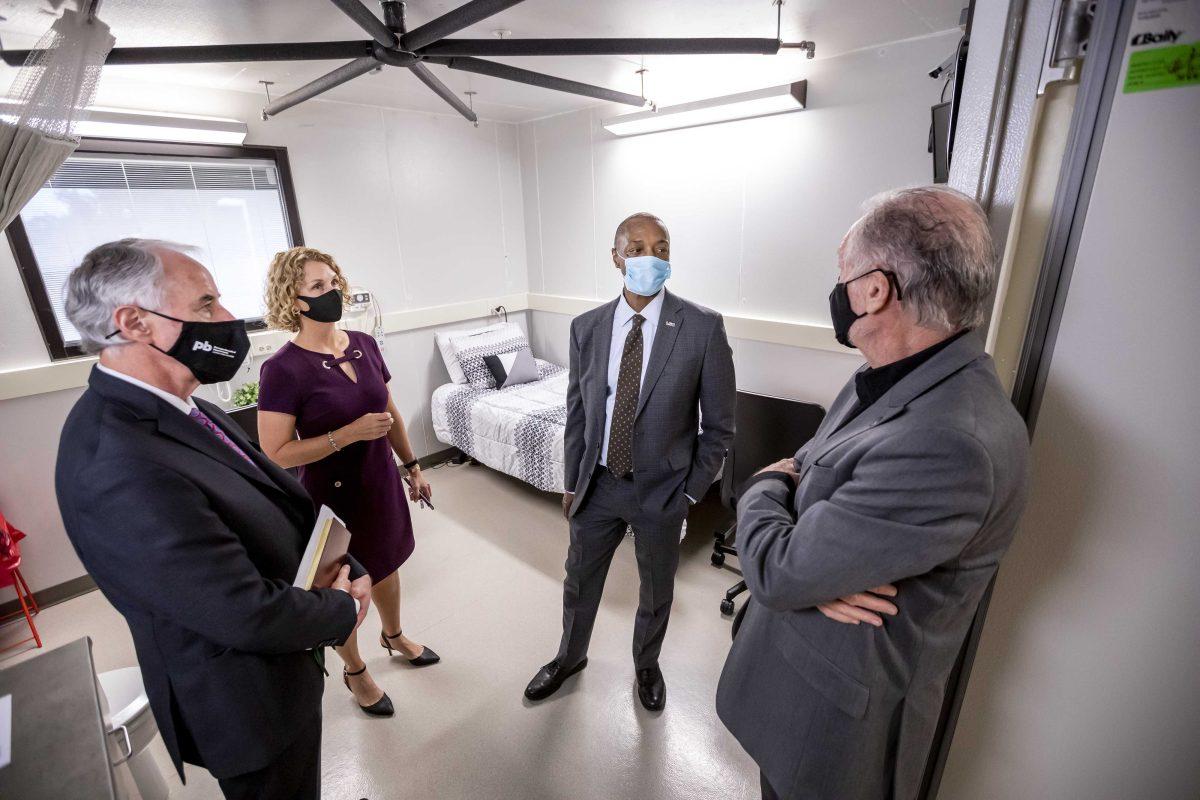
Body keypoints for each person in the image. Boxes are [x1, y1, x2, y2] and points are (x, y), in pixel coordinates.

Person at [716, 186, 1031, 800]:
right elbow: (810, 466)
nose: (839, 290)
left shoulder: (951, 439)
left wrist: (763, 488)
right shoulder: (889, 376)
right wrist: (818, 559)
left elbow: (779, 569)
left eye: (844, 275)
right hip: (796, 679)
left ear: (875, 290)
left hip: (835, 729)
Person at [55, 239, 371, 800]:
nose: (227, 320)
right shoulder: (118, 463)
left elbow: (276, 501)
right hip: (246, 703)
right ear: (134, 323)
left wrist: (346, 560)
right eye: (205, 305)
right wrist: (341, 608)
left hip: (286, 665)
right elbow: (238, 612)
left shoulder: (189, 408)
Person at [525, 212, 736, 711]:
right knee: (579, 581)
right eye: (637, 247)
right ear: (616, 257)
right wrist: (572, 482)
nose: (650, 257)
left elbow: (720, 428)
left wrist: (688, 493)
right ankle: (569, 657)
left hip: (663, 492)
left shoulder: (701, 328)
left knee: (657, 588)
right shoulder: (588, 328)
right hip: (598, 485)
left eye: (661, 248)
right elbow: (579, 413)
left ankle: (646, 665)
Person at [257, 246, 438, 719]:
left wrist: (412, 465)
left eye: (333, 282)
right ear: (293, 300)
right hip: (329, 497)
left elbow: (390, 411)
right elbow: (276, 453)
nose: (331, 292)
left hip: (378, 480)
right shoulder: (281, 369)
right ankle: (355, 669)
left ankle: (393, 635)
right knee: (342, 587)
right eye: (317, 287)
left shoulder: (363, 342)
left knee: (388, 563)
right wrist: (345, 435)